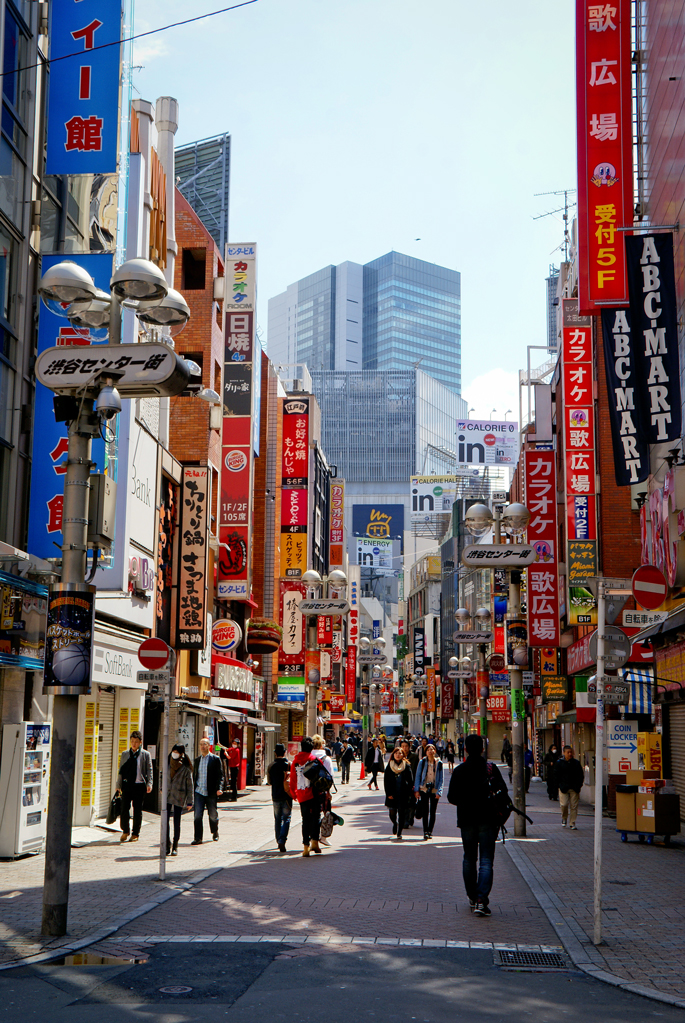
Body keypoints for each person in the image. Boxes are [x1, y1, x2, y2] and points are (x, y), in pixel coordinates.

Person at [447, 732, 508, 917]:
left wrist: (466, 801)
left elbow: (451, 797)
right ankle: (482, 900)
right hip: (488, 820)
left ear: (465, 749)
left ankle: (472, 897)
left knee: (469, 858)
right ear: (482, 748)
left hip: (466, 820)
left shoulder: (459, 771)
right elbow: (503, 792)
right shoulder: (490, 768)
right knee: (486, 860)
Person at [116, 730, 153, 843]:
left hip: (139, 785)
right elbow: (121, 770)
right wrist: (118, 785)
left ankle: (135, 833)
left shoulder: (145, 754)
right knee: (124, 809)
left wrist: (149, 783)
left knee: (137, 810)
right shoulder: (125, 754)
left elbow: (149, 770)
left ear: (140, 742)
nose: (133, 744)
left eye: (136, 742)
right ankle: (125, 831)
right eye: (132, 741)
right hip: (127, 785)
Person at [290, 736, 322, 856]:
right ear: (311, 748)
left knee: (305, 820)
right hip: (314, 793)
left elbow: (293, 779)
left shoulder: (295, 761)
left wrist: (293, 793)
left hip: (302, 794)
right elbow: (322, 775)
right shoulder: (315, 760)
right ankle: (315, 843)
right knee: (316, 818)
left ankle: (305, 847)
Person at [192, 737, 223, 844]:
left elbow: (220, 775)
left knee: (213, 815)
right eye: (201, 744)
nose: (202, 746)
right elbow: (194, 776)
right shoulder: (197, 760)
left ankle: (215, 831)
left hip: (211, 791)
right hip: (199, 791)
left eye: (205, 744)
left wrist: (220, 788)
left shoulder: (215, 759)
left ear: (209, 746)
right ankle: (198, 838)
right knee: (197, 815)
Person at [166, 744, 194, 856]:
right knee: (165, 821)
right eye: (173, 751)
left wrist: (190, 801)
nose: (174, 753)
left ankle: (175, 845)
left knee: (176, 822)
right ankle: (167, 844)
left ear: (182, 754)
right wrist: (161, 788)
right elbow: (162, 776)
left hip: (179, 796)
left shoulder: (186, 769)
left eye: (177, 752)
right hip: (167, 796)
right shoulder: (167, 762)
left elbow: (190, 786)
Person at [414, 743, 444, 839]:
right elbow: (418, 776)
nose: (430, 751)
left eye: (432, 749)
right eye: (428, 750)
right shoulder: (422, 762)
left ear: (435, 751)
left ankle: (430, 831)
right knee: (425, 811)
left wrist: (439, 791)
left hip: (434, 790)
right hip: (424, 789)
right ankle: (425, 831)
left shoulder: (439, 763)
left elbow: (441, 779)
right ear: (426, 752)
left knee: (433, 811)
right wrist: (417, 790)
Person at [384, 745, 414, 839]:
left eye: (400, 753)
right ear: (393, 754)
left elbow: (410, 780)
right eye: (396, 753)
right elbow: (386, 781)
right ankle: (395, 823)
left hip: (403, 793)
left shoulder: (406, 765)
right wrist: (388, 793)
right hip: (392, 794)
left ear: (403, 755)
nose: (398, 755)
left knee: (402, 814)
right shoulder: (390, 766)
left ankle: (399, 832)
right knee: (392, 813)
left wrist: (409, 792)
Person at [267, 743, 292, 852]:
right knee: (286, 818)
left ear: (275, 753)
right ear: (285, 752)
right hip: (287, 795)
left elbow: (269, 781)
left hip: (276, 795)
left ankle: (278, 840)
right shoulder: (289, 765)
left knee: (277, 819)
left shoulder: (271, 765)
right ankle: (282, 839)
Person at [311, 735, 334, 845]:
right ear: (321, 745)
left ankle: (312, 836)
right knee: (326, 812)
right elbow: (331, 776)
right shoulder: (327, 759)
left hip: (310, 790)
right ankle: (323, 836)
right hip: (323, 790)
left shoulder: (308, 757)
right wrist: (329, 791)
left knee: (312, 814)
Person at [556, 745, 584, 829]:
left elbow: (580, 775)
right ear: (564, 753)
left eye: (571, 752)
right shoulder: (559, 763)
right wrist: (559, 785)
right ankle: (564, 818)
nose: (570, 754)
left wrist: (579, 785)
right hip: (563, 787)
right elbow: (556, 775)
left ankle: (572, 823)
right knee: (564, 804)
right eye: (568, 752)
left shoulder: (576, 763)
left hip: (574, 787)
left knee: (574, 806)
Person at [400, 738, 420, 828]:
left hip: (412, 782)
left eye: (406, 746)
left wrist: (417, 783)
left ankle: (410, 817)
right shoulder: (398, 756)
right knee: (403, 802)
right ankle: (405, 820)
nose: (404, 748)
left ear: (409, 747)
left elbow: (417, 770)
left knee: (412, 802)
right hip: (402, 783)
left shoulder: (414, 757)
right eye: (403, 746)